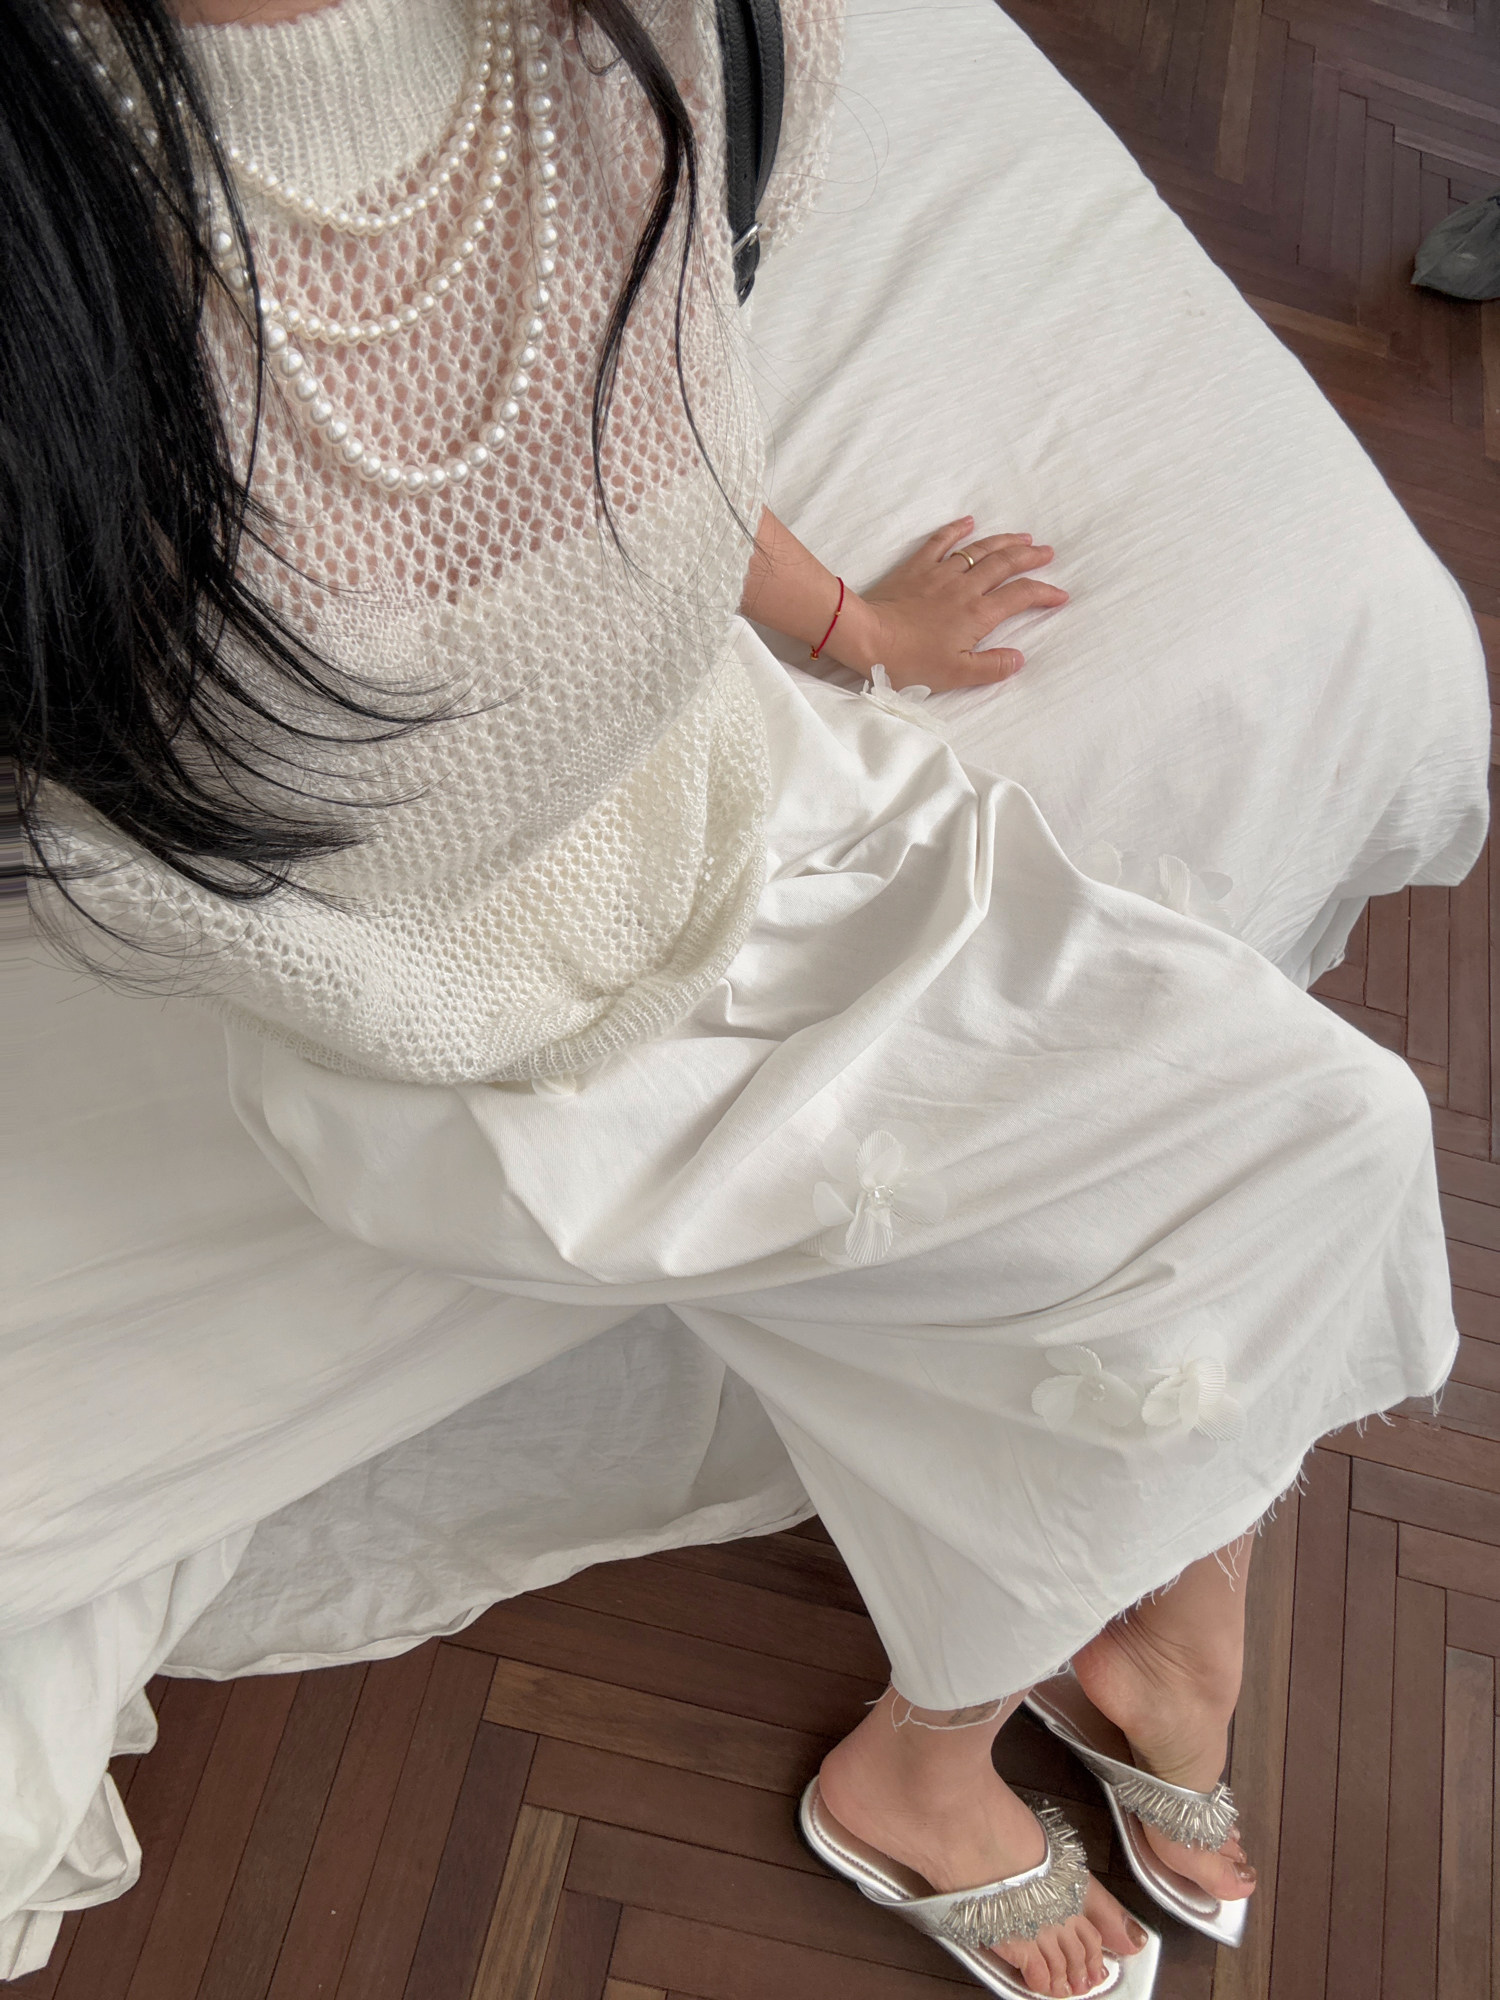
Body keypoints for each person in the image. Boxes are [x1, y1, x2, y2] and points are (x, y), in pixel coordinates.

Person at [2, 0, 1482, 1993]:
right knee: (1241, 1186)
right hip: (455, 1037)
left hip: (760, 803)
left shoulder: (658, 42)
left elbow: (619, 425)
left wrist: (848, 622)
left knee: (1320, 1153)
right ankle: (942, 1754)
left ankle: (1135, 1652)